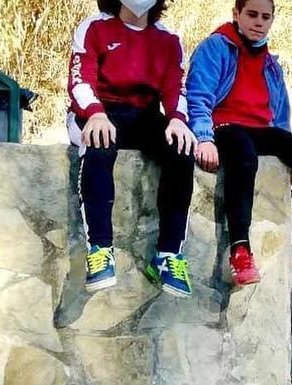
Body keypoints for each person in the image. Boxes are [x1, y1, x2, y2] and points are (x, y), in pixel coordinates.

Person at [187, 0, 292, 287]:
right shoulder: (216, 47)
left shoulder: (271, 63)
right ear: (236, 14)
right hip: (225, 126)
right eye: (251, 14)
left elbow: (281, 113)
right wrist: (203, 137)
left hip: (261, 129)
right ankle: (240, 250)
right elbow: (198, 95)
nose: (258, 22)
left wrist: (290, 159)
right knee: (243, 153)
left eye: (266, 17)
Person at [69, 0, 197, 297]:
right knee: (99, 145)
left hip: (144, 116)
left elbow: (176, 88)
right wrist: (95, 113)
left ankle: (168, 255)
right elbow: (80, 80)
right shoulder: (94, 27)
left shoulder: (168, 40)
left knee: (181, 150)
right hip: (97, 112)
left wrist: (178, 119)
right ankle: (99, 250)